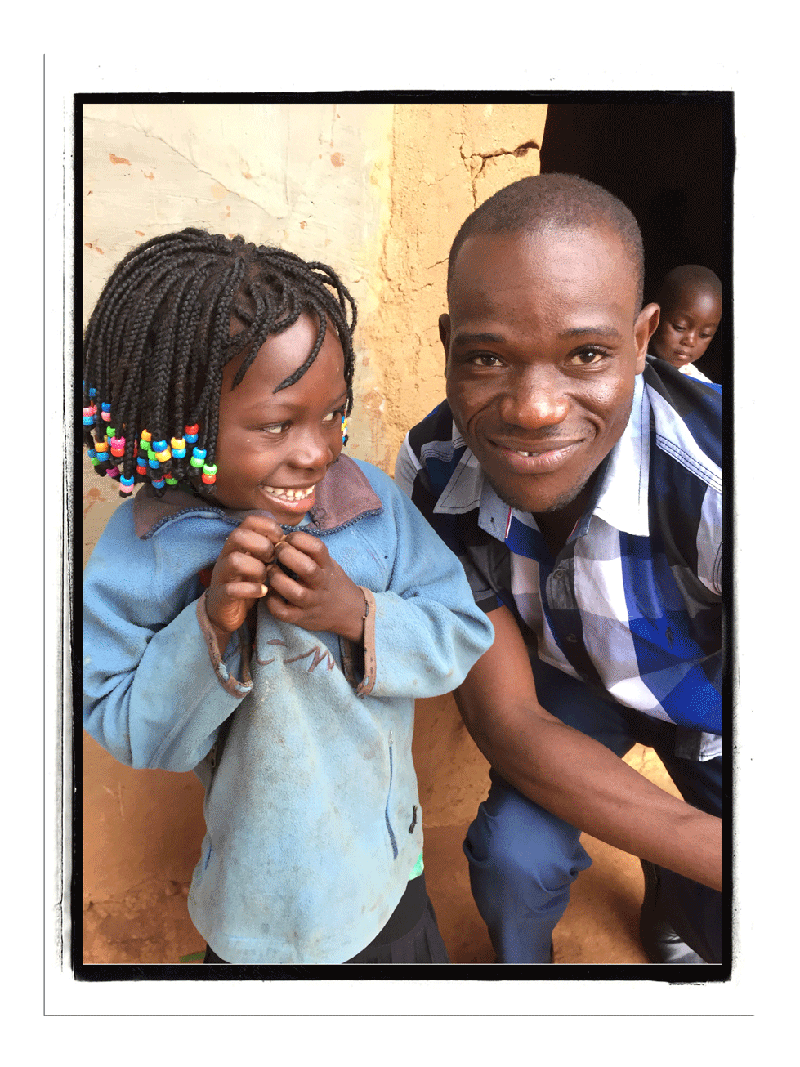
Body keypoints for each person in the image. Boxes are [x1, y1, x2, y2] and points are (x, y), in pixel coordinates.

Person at [82, 228, 494, 965]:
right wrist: (209, 625)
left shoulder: (371, 506)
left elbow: (460, 632)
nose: (317, 449)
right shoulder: (143, 548)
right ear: (183, 423)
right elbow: (126, 724)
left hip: (387, 875)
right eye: (276, 425)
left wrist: (356, 613)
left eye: (333, 412)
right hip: (256, 910)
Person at [396, 174, 724, 966]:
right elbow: (510, 722)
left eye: (586, 353)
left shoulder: (721, 481)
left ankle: (680, 901)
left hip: (717, 704)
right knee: (514, 858)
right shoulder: (435, 471)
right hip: (572, 688)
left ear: (644, 340)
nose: (535, 407)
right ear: (448, 343)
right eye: (487, 356)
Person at [648, 264, 722, 383]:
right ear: (653, 317)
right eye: (680, 327)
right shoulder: (626, 364)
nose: (690, 341)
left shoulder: (700, 387)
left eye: (704, 334)